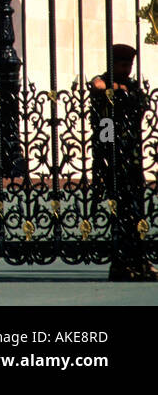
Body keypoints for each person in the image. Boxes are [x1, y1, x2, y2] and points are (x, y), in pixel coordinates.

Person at [89, 43, 156, 281]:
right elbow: (97, 86)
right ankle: (121, 263)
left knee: (135, 209)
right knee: (119, 210)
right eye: (122, 64)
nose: (127, 69)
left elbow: (140, 101)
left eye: (129, 64)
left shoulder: (132, 86)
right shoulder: (102, 82)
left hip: (132, 153)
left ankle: (138, 260)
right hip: (112, 152)